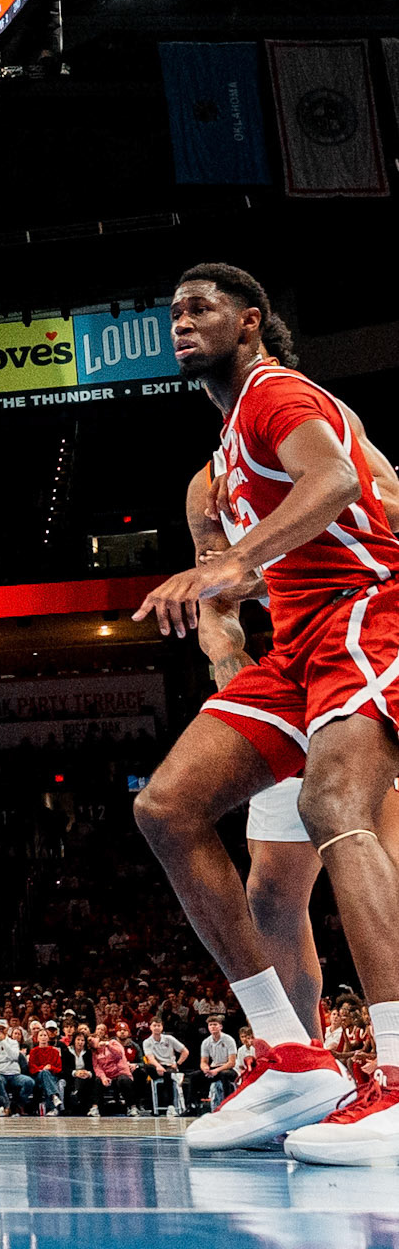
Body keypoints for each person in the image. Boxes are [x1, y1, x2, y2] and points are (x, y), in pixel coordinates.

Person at [133, 264, 399, 1161]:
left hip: (372, 607)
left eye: (200, 307)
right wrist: (225, 624)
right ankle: (292, 1057)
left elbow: (333, 486)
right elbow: (223, 592)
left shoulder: (275, 393)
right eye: (172, 311)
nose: (180, 320)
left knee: (339, 811)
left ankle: (398, 1079)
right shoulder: (213, 464)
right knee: (165, 808)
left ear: (252, 323)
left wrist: (236, 563)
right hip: (294, 649)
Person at [193, 402, 399, 1038]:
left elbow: (380, 522)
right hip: (290, 680)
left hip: (363, 652)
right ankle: (302, 1058)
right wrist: (231, 663)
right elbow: (214, 591)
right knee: (272, 899)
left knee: (378, 855)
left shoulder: (327, 441)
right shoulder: (207, 484)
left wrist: (276, 536)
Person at [140, 1016, 189, 1114]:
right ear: (150, 1027)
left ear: (162, 1027)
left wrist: (177, 1063)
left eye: (159, 1025)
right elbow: (150, 1057)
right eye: (154, 1025)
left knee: (168, 1075)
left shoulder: (169, 1039)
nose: (157, 1028)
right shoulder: (147, 1042)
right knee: (146, 1067)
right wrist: (158, 1066)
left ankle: (170, 1106)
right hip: (156, 1066)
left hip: (170, 1066)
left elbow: (185, 1051)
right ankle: (148, 1105)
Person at [199, 1015, 238, 1110]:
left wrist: (216, 1070)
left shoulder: (229, 1040)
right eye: (210, 1025)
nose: (212, 1027)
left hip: (229, 1068)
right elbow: (203, 1061)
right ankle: (192, 1105)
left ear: (220, 1026)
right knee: (194, 1076)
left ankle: (226, 1102)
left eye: (215, 1024)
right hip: (215, 1067)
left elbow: (231, 1062)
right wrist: (205, 1068)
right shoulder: (206, 1042)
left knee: (223, 1075)